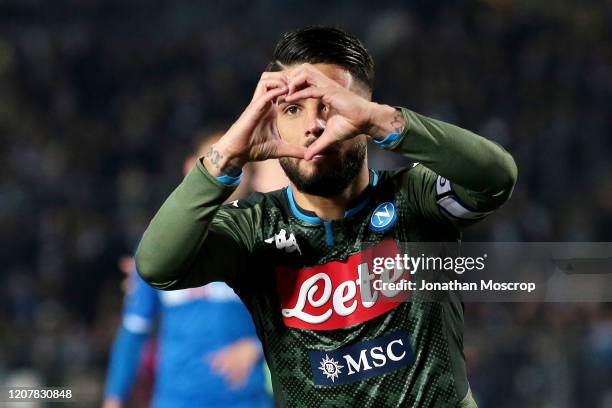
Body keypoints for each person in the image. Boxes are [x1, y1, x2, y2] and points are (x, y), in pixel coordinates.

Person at [135, 26, 517, 407]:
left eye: (330, 104)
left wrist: (387, 122)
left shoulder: (415, 199)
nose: (313, 125)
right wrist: (226, 158)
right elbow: (157, 266)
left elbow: (496, 178)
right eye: (292, 109)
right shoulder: (252, 229)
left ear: (364, 112)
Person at [103, 132, 277, 408]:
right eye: (218, 157)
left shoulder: (266, 242)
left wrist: (256, 348)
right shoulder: (158, 247)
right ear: (191, 168)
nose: (227, 166)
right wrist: (114, 398)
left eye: (238, 162)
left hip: (246, 399)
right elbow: (134, 330)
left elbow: (298, 317)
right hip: (176, 400)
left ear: (249, 177)